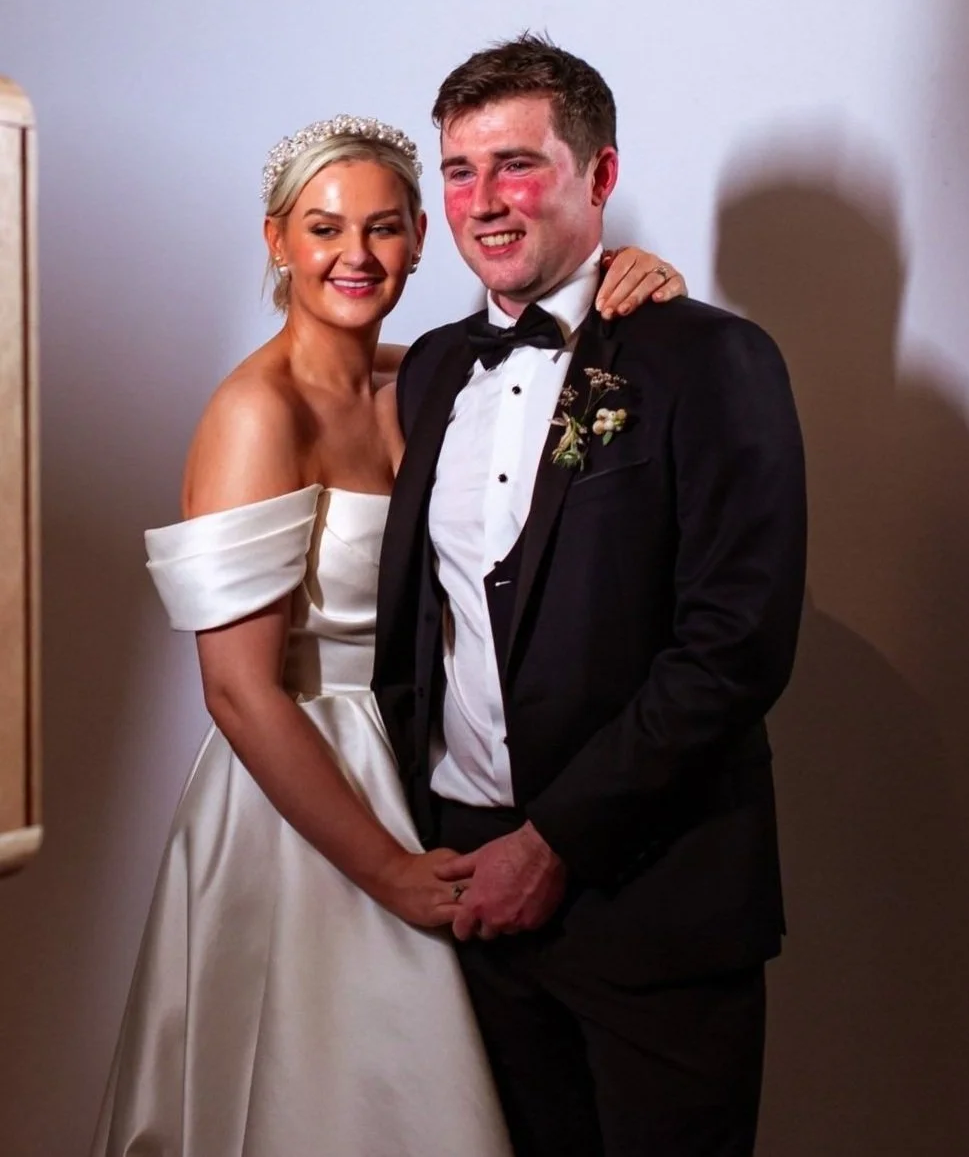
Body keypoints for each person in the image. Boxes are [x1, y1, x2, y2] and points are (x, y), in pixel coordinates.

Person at [90, 111, 686, 1156]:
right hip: (305, 798)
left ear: (419, 235)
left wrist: (629, 278)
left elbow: (535, 367)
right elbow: (237, 689)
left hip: (425, 769)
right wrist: (383, 866)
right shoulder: (254, 415)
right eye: (322, 230)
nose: (353, 256)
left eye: (381, 228)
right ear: (277, 241)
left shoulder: (423, 376)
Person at [372, 36, 807, 1157]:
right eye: (459, 172)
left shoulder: (711, 358)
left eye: (516, 164)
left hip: (651, 902)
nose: (483, 202)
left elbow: (735, 646)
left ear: (599, 175)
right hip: (467, 892)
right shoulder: (426, 372)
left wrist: (556, 839)